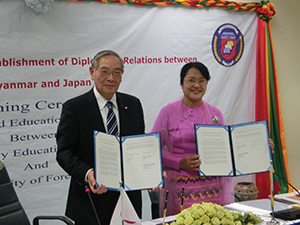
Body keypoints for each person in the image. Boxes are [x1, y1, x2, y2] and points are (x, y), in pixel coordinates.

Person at [56, 50, 145, 225]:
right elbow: (64, 153)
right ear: (92, 72)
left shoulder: (133, 104)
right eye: (104, 71)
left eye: (116, 72)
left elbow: (137, 146)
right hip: (90, 203)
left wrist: (150, 172)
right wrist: (88, 173)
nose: (110, 78)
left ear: (121, 75)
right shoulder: (75, 108)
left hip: (128, 201)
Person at [151, 62, 235, 216]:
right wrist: (179, 162)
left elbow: (226, 149)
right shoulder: (168, 112)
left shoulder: (216, 114)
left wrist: (258, 146)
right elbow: (153, 149)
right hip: (181, 188)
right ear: (181, 84)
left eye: (202, 81)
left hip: (213, 188)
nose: (197, 85)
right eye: (191, 80)